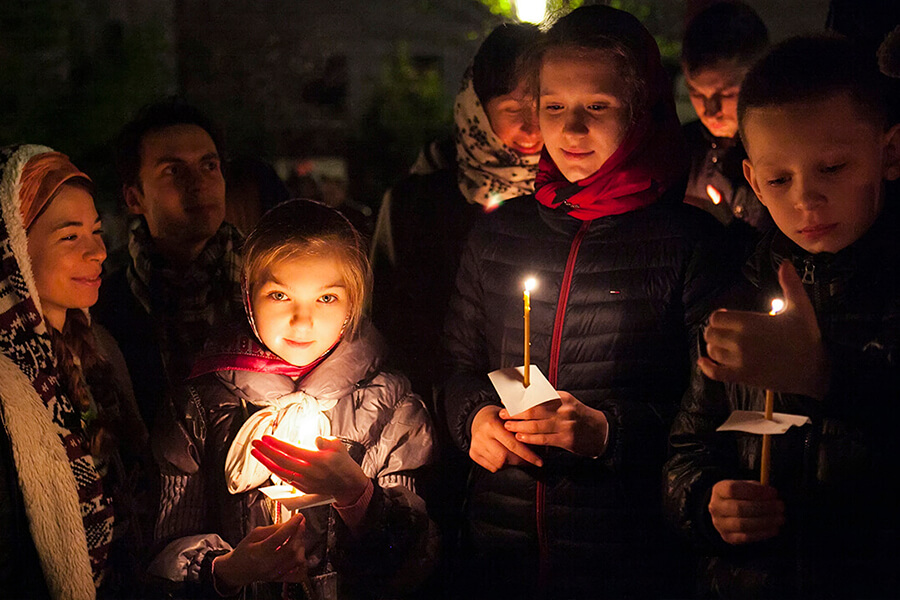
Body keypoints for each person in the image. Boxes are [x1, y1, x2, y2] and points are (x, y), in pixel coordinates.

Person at [441, 6, 733, 598]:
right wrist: (472, 415)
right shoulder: (499, 235)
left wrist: (607, 432)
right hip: (501, 553)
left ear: (642, 108)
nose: (571, 131)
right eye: (554, 107)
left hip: (630, 557)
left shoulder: (689, 244)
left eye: (596, 107)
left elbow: (717, 415)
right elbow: (454, 366)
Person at [663, 35, 900, 598]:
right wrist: (706, 503)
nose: (806, 200)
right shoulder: (736, 290)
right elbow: (687, 449)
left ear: (890, 153)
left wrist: (825, 376)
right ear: (751, 181)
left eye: (833, 167)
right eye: (779, 180)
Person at [150, 200, 437, 598]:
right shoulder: (198, 408)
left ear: (354, 303)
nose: (302, 321)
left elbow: (414, 562)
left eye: (326, 299)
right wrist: (227, 571)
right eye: (280, 295)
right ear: (249, 298)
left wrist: (359, 498)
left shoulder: (391, 409)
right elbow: (163, 557)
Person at [0, 145, 150, 598]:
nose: (99, 252)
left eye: (98, 231)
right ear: (13, 250)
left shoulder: (101, 351)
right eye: (70, 237)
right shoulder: (9, 383)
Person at [371, 22, 543, 402]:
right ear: (477, 109)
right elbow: (391, 320)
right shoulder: (416, 202)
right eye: (512, 109)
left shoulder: (574, 193)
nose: (531, 127)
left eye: (544, 107)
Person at [93, 99, 244, 430]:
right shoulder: (103, 306)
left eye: (209, 166)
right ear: (135, 198)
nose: (199, 183)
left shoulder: (272, 282)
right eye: (173, 171)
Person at [681, 1, 772, 238]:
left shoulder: (778, 152)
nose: (711, 110)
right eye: (697, 93)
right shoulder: (677, 149)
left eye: (727, 94)